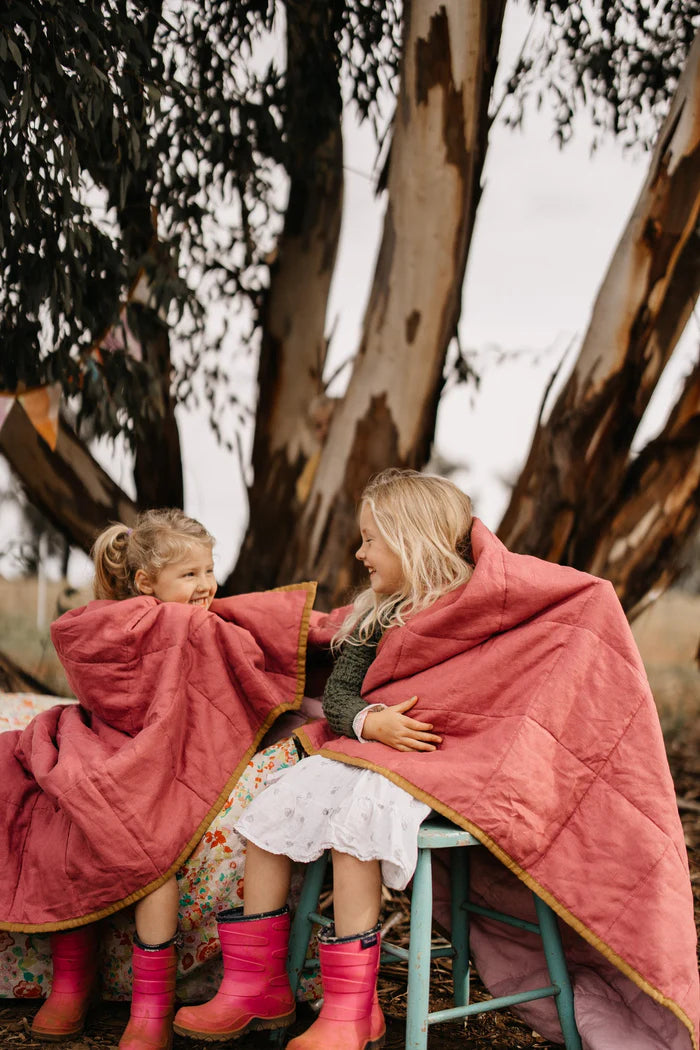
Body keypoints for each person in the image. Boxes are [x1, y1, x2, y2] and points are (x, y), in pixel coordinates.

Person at [173, 470, 474, 1050]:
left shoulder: (471, 610)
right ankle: (255, 985)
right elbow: (338, 697)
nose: (359, 552)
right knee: (270, 809)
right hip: (370, 751)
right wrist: (370, 720)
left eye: (370, 539)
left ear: (412, 539)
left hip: (434, 770)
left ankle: (352, 1011)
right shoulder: (375, 614)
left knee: (355, 828)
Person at [30, 510, 216, 1050]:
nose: (205, 585)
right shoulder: (109, 625)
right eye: (189, 575)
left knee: (152, 856)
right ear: (144, 583)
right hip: (108, 741)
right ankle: (71, 982)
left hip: (162, 754)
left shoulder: (196, 620)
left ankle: (151, 1004)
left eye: (209, 569)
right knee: (65, 825)